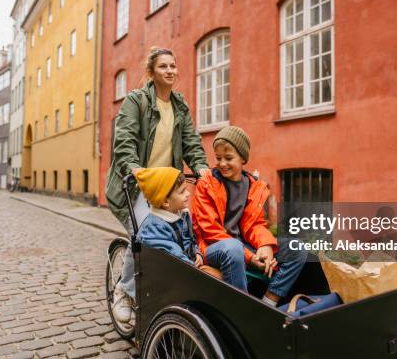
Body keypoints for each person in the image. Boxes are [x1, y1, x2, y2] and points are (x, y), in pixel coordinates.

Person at [105, 47, 208, 326]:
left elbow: (191, 143)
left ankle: (160, 295)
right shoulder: (136, 102)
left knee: (176, 234)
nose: (170, 71)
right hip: (135, 187)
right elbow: (124, 140)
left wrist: (202, 167)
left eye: (173, 66)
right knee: (144, 235)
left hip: (164, 188)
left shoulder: (180, 106)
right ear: (151, 72)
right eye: (163, 66)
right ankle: (123, 293)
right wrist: (134, 169)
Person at [191, 126, 307, 307]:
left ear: (243, 158)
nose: (222, 164)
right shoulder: (206, 184)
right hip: (214, 247)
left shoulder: (253, 186)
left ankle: (268, 302)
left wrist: (265, 246)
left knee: (297, 248)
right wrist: (251, 258)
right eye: (218, 158)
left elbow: (255, 225)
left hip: (242, 246)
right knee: (233, 247)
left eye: (228, 158)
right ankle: (244, 310)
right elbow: (210, 231)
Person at [134, 167, 203, 266]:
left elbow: (189, 239)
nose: (188, 194)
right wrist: (195, 269)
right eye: (182, 192)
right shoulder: (154, 228)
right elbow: (174, 256)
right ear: (166, 202)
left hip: (184, 267)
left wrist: (196, 252)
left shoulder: (182, 214)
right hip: (168, 273)